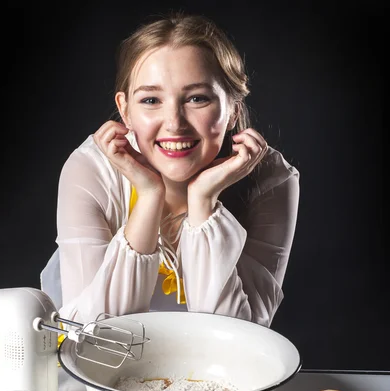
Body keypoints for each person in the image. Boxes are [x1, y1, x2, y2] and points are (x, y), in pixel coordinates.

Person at [41, 12, 300, 329]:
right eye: (151, 99)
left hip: (218, 375)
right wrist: (149, 196)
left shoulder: (270, 178)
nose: (174, 123)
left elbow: (242, 338)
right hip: (95, 375)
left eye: (196, 98)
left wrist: (203, 201)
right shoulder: (92, 170)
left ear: (233, 109)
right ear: (125, 110)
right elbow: (93, 340)